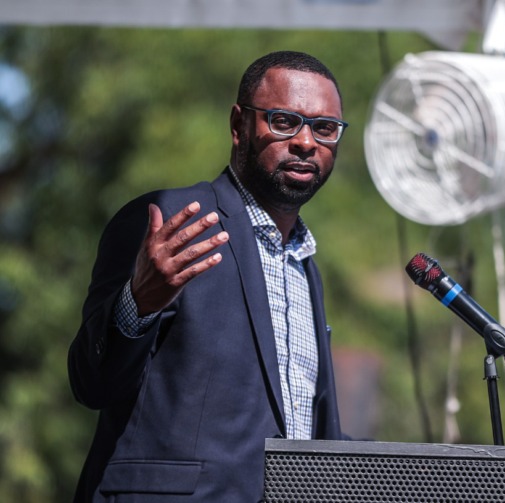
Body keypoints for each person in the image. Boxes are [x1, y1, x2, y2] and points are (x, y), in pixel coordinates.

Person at [68, 50, 350, 502]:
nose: (305, 142)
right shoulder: (170, 224)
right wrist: (135, 304)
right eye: (283, 121)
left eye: (324, 128)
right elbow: (90, 382)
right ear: (239, 126)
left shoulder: (305, 266)